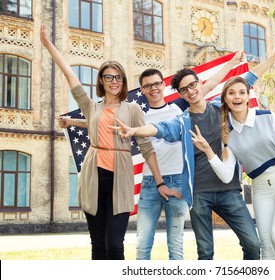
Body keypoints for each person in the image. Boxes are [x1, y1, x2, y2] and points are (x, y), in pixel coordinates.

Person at [58, 52, 244, 260]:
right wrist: (74, 122)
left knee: (174, 245)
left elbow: (208, 85)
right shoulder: (139, 113)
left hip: (175, 180)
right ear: (142, 90)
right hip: (149, 183)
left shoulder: (178, 108)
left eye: (157, 83)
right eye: (147, 86)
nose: (153, 88)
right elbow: (105, 123)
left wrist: (231, 63)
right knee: (140, 245)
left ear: (163, 85)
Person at [40, 23, 179, 260]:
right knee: (98, 245)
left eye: (118, 77)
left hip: (120, 178)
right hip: (93, 177)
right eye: (108, 77)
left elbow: (146, 147)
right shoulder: (91, 106)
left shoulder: (133, 108)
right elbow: (70, 75)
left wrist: (159, 183)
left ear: (123, 81)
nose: (113, 81)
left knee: (115, 245)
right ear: (101, 81)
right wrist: (47, 43)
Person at [189, 75, 275, 260]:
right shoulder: (227, 134)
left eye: (242, 92)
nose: (237, 97)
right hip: (261, 189)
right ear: (225, 99)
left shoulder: (268, 117)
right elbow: (227, 176)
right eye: (232, 93)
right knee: (265, 246)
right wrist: (209, 151)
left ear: (248, 97)